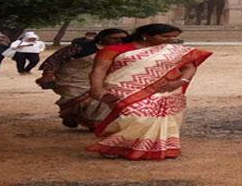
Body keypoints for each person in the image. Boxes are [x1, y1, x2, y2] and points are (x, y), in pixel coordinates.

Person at [86, 24, 212, 160]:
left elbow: (189, 67)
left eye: (174, 37)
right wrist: (97, 88)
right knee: (133, 116)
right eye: (165, 36)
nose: (170, 40)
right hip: (125, 88)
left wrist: (181, 81)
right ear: (145, 35)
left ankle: (151, 147)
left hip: (164, 89)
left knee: (161, 118)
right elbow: (99, 70)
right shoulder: (114, 50)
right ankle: (118, 145)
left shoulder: (172, 50)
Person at [35, 28, 129, 129]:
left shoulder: (126, 50)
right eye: (114, 38)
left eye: (122, 38)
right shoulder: (82, 47)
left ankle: (95, 123)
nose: (119, 40)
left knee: (99, 101)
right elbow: (56, 59)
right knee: (73, 100)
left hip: (100, 80)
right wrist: (48, 75)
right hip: (71, 79)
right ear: (101, 37)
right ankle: (70, 116)